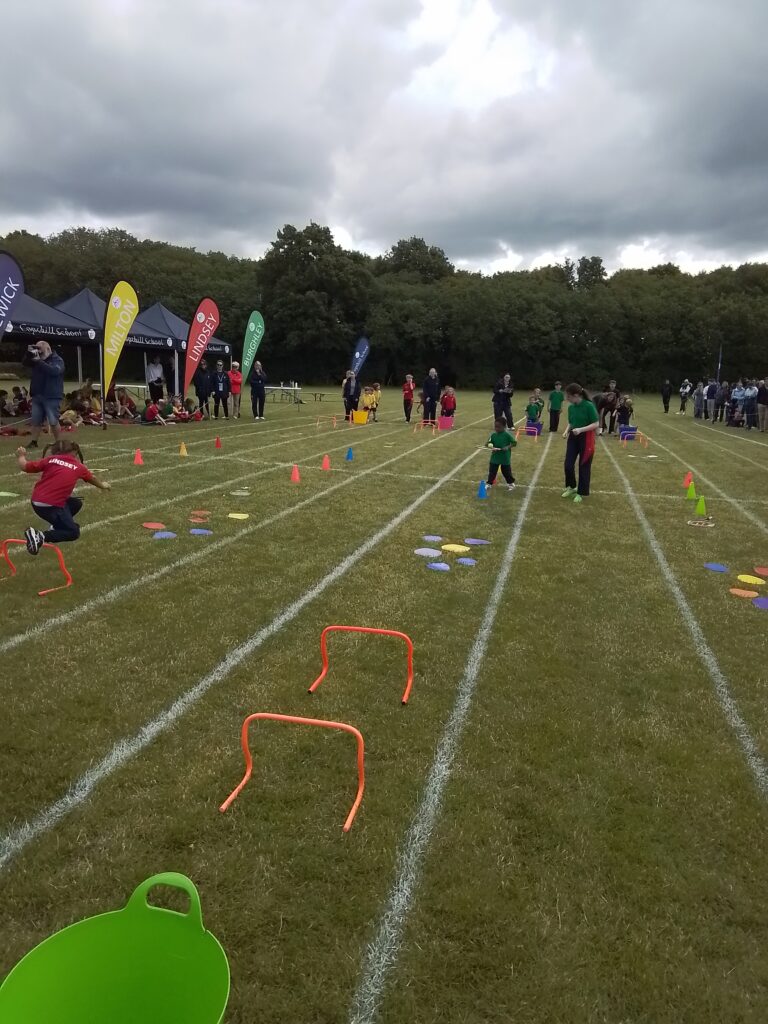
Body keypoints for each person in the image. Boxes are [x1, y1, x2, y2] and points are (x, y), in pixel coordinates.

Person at [17, 440, 110, 555]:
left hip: (36, 501)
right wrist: (103, 486)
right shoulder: (78, 466)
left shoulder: (50, 460)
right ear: (74, 452)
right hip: (51, 506)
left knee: (75, 503)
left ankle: (56, 526)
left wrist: (21, 455)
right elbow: (92, 479)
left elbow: (25, 466)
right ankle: (39, 536)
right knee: (73, 532)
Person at [23, 340, 65, 449]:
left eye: (40, 350)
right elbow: (25, 363)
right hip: (37, 395)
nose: (39, 353)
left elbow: (54, 371)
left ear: (47, 349)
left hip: (51, 395)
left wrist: (39, 361)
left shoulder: (57, 360)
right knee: (36, 421)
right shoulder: (36, 360)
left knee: (53, 420)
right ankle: (34, 441)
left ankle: (59, 442)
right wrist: (29, 354)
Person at [562, 383, 599, 504]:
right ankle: (572, 487)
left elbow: (596, 424)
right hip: (573, 436)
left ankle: (581, 492)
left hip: (586, 438)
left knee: (584, 466)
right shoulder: (571, 407)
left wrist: (581, 430)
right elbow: (572, 422)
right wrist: (566, 431)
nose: (567, 398)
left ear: (576, 395)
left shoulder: (588, 406)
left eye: (568, 396)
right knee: (568, 464)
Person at [485, 417, 517, 491]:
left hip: (504, 458)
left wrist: (507, 447)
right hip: (495, 458)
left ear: (504, 427)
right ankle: (489, 484)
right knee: (492, 472)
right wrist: (492, 446)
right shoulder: (493, 435)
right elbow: (487, 443)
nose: (496, 428)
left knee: (506, 472)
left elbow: (514, 443)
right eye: (495, 426)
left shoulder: (507, 435)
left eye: (499, 427)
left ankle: (511, 483)